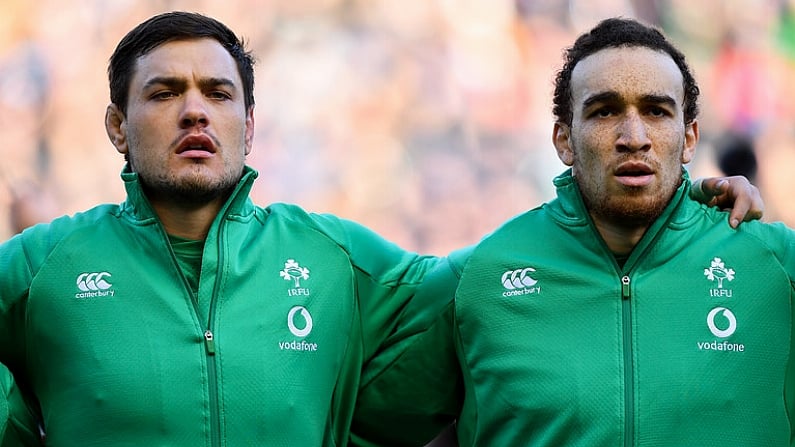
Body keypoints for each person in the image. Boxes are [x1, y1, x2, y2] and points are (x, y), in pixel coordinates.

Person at [0, 11, 765, 447]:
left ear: (250, 122)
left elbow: (506, 279)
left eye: (217, 93)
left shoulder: (333, 259)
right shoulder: (42, 266)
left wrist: (679, 212)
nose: (195, 109)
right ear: (115, 124)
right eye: (164, 92)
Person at [353, 17, 795, 447]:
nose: (634, 136)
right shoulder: (482, 278)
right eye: (604, 111)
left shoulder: (777, 270)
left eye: (657, 111)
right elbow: (354, 420)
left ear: (690, 138)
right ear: (564, 140)